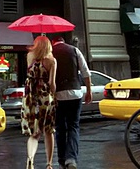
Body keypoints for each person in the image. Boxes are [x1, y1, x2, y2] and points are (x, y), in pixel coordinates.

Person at [51, 36, 92, 169]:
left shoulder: (50, 52)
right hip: (75, 93)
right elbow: (86, 72)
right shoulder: (74, 50)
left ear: (53, 42)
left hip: (57, 96)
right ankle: (71, 159)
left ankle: (62, 159)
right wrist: (89, 91)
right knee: (73, 126)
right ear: (64, 41)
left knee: (60, 128)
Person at [21, 35, 57, 169]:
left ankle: (30, 159)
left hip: (31, 98)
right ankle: (49, 163)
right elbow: (51, 84)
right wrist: (53, 92)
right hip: (45, 98)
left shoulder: (29, 56)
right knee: (48, 131)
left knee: (34, 133)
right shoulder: (51, 61)